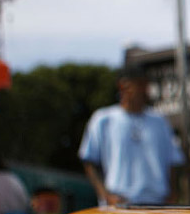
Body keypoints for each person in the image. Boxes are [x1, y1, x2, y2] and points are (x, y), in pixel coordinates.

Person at [79, 66, 184, 205]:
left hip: (158, 204)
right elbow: (89, 160)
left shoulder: (159, 121)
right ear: (123, 86)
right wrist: (105, 195)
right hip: (119, 204)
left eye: (146, 85)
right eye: (139, 84)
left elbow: (173, 162)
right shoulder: (103, 119)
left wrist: (173, 195)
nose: (145, 90)